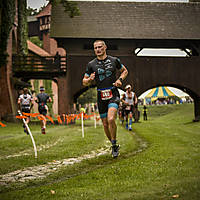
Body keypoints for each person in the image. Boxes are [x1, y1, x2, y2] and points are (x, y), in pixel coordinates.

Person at [82, 40, 128, 158]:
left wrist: (120, 80)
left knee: (111, 118)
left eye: (100, 47)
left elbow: (125, 71)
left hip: (113, 93)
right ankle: (114, 144)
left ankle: (113, 145)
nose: (98, 49)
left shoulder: (114, 60)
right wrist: (89, 80)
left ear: (105, 47)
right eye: (95, 48)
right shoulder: (91, 64)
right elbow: (84, 82)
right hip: (100, 95)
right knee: (105, 124)